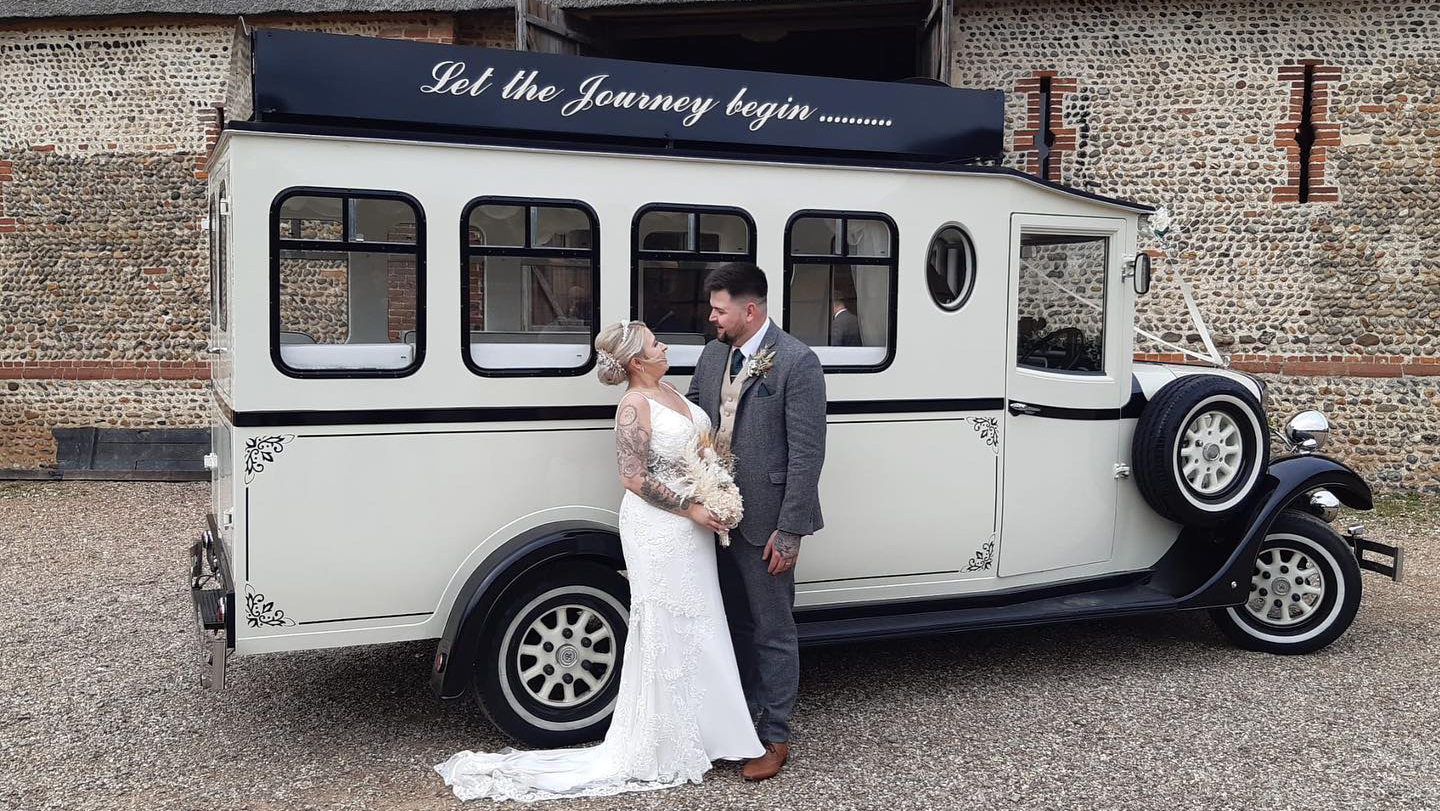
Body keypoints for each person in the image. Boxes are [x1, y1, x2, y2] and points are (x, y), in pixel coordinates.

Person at [435, 320, 764, 802]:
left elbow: (697, 453)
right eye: (656, 343)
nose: (665, 344)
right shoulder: (633, 405)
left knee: (701, 622)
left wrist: (714, 488)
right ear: (636, 361)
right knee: (666, 624)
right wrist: (693, 505)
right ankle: (664, 741)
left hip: (692, 528)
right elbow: (632, 477)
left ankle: (712, 732)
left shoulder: (671, 389)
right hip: (658, 527)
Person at [686, 261, 827, 782]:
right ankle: (736, 724)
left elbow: (808, 455)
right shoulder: (711, 353)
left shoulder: (797, 362)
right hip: (713, 518)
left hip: (766, 523)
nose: (712, 317)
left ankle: (776, 737)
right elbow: (695, 421)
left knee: (772, 629)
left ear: (750, 310)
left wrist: (789, 531)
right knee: (728, 626)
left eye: (720, 309)